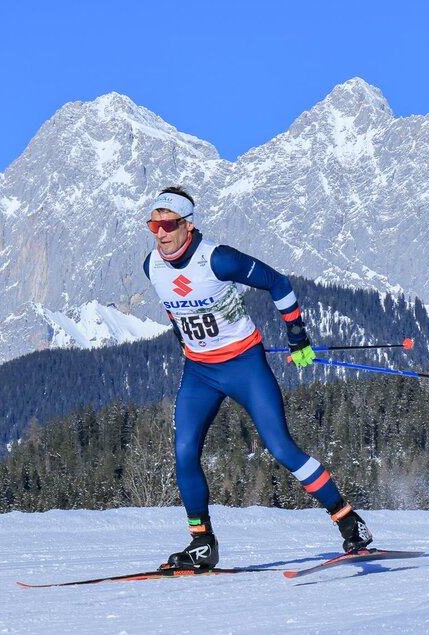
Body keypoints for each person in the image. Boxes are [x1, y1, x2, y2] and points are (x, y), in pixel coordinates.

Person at [141, 186, 372, 570]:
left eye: (168, 224)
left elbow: (278, 283)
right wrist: (187, 340)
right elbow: (174, 311)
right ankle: (202, 543)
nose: (160, 233)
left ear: (187, 224)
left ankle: (349, 520)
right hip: (199, 372)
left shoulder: (219, 259)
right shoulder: (152, 266)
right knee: (184, 454)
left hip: (244, 365)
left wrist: (297, 336)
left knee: (281, 448)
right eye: (154, 225)